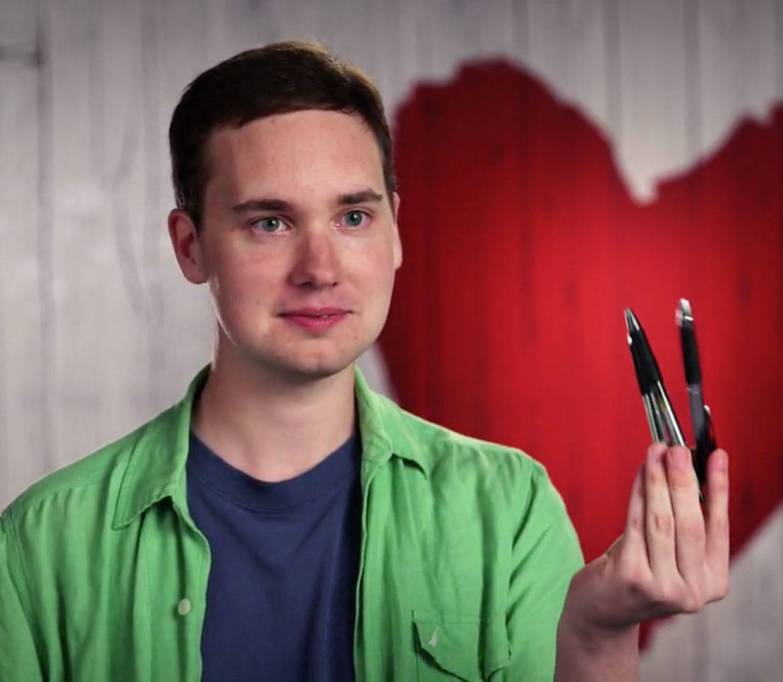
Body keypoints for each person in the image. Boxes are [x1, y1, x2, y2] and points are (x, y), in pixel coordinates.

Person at [0, 41, 729, 681]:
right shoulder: (43, 546)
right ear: (190, 246)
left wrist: (598, 638)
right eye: (270, 222)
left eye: (353, 217)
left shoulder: (507, 509)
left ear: (395, 231)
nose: (320, 268)